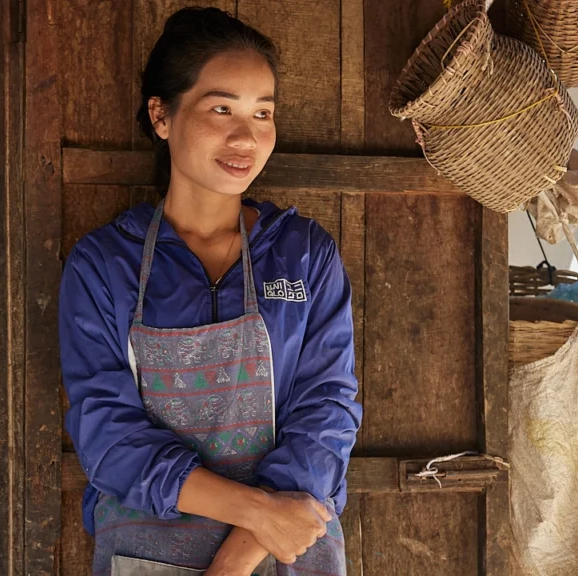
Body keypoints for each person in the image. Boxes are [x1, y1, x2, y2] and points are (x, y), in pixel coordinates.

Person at [59, 7, 361, 576]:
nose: (246, 135)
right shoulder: (104, 265)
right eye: (221, 108)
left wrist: (237, 559)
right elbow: (108, 438)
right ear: (161, 116)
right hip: (148, 555)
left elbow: (328, 412)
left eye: (262, 112)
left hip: (287, 550)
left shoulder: (303, 253)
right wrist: (259, 510)